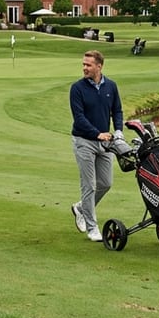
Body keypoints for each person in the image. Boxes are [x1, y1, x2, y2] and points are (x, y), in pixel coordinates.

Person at [69, 49, 129, 242]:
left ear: (99, 66)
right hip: (84, 141)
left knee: (106, 183)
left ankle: (80, 208)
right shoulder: (77, 88)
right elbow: (79, 119)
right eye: (83, 64)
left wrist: (118, 131)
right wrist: (97, 133)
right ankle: (92, 227)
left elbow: (117, 111)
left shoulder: (111, 86)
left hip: (105, 143)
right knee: (89, 186)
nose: (84, 68)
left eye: (88, 65)